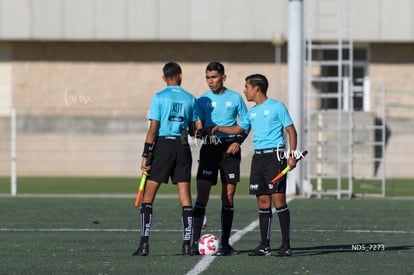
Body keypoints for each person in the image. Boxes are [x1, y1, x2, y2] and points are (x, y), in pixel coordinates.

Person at [212, 73, 298, 257]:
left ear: (256, 88)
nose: (245, 91)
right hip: (258, 160)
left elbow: (291, 131)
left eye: (247, 87)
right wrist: (217, 128)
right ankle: (264, 245)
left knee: (279, 200)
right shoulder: (252, 112)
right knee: (262, 201)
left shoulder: (277, 107)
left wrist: (292, 155)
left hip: (275, 158)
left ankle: (286, 245)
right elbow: (239, 129)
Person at [132, 61, 200, 257]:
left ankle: (144, 245)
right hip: (182, 147)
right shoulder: (190, 98)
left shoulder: (159, 97)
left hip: (162, 147)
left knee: (148, 197)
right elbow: (194, 130)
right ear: (180, 75)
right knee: (185, 198)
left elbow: (153, 128)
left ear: (164, 78)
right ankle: (187, 245)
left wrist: (146, 154)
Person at [192, 62, 248, 256]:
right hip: (210, 149)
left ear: (223, 78)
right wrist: (202, 133)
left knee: (228, 196)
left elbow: (247, 124)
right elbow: (198, 130)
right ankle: (193, 242)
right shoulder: (201, 101)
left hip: (230, 150)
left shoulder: (236, 98)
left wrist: (239, 141)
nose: (210, 81)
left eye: (214, 77)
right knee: (202, 195)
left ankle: (225, 243)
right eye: (207, 77)